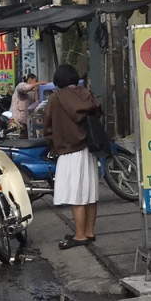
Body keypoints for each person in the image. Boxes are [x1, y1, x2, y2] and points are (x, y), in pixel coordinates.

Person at [42, 63, 100, 248]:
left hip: (68, 150)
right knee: (90, 192)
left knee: (76, 195)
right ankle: (89, 232)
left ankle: (80, 235)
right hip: (88, 149)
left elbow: (47, 125)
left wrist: (52, 142)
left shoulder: (56, 99)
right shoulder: (86, 94)